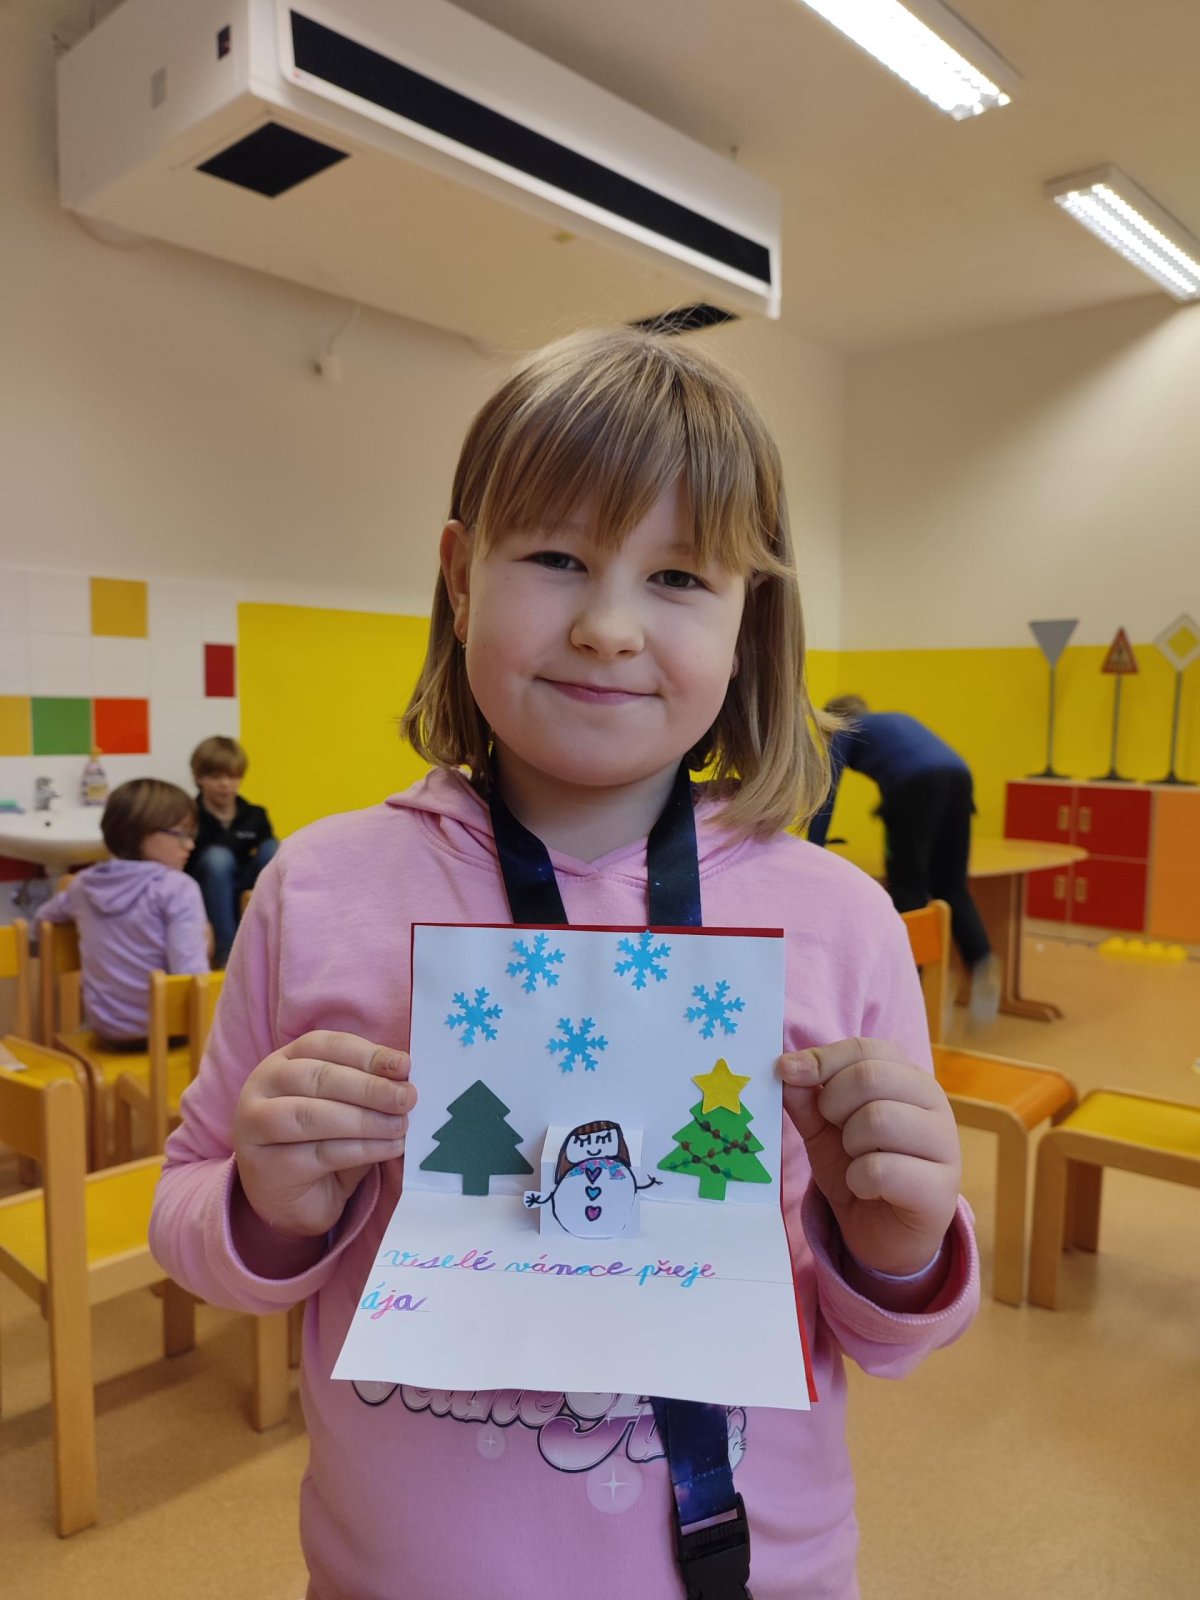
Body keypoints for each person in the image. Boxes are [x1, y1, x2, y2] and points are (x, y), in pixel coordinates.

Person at [150, 328, 978, 1600]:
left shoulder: (840, 919)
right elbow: (187, 1215)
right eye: (555, 558)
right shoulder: (317, 889)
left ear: (749, 616)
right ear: (459, 576)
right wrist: (266, 1206)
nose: (606, 627)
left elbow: (895, 1333)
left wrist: (900, 1247)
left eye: (678, 576)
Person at [808, 696, 1001, 1025]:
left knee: (908, 889)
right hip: (958, 778)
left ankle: (915, 986)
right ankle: (981, 961)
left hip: (914, 787)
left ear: (832, 721)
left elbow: (827, 791)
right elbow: (916, 765)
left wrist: (814, 849)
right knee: (951, 885)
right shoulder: (893, 720)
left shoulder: (844, 730)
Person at [37, 778, 208, 1044]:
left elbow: (43, 920)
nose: (190, 845)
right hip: (166, 1035)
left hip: (106, 1032)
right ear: (140, 833)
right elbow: (191, 977)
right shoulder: (177, 888)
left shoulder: (83, 885)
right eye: (181, 834)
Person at [186, 735, 278, 966]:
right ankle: (226, 955)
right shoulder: (189, 815)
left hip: (244, 882)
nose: (226, 784)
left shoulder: (254, 815)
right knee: (218, 859)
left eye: (233, 776)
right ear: (199, 778)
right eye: (216, 777)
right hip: (205, 887)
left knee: (273, 848)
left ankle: (273, 942)